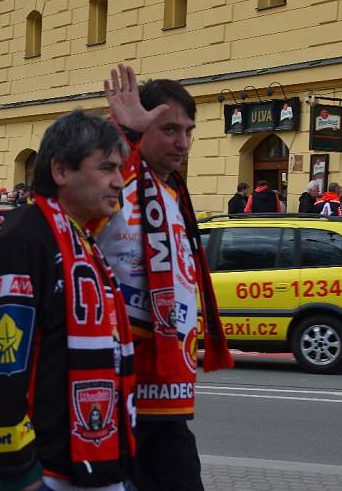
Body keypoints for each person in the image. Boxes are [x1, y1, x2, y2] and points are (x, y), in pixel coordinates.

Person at [0, 110, 136, 491]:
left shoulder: (77, 236)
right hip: (35, 474)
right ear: (61, 170)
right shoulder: (23, 239)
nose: (119, 182)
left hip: (80, 466)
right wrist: (20, 474)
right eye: (108, 168)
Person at [97, 64, 233, 491]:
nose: (183, 142)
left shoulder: (172, 191)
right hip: (117, 390)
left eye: (189, 131)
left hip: (167, 393)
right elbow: (70, 188)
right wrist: (127, 134)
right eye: (170, 129)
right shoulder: (114, 184)